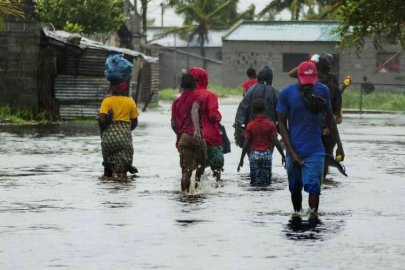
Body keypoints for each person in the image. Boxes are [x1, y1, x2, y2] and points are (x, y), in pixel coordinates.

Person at [277, 61, 345, 213]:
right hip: (294, 148)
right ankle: (297, 215)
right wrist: (292, 153)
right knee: (295, 188)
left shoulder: (323, 91)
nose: (308, 87)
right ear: (298, 78)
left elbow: (330, 118)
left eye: (311, 83)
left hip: (315, 150)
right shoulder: (286, 94)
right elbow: (281, 124)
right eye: (304, 83)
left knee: (314, 187)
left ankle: (313, 221)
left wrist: (339, 145)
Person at [237, 99, 286, 186]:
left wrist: (241, 160)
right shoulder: (271, 125)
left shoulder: (250, 125)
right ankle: (264, 197)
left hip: (254, 155)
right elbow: (276, 142)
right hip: (266, 154)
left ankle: (256, 197)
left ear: (252, 110)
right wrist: (283, 156)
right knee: (266, 183)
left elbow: (246, 144)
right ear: (265, 109)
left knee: (255, 183)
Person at [171, 74, 206, 192]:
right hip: (196, 136)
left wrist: (181, 134)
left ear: (181, 86)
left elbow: (173, 125)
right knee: (202, 163)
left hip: (183, 137)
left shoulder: (176, 102)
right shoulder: (197, 97)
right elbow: (194, 110)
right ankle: (197, 189)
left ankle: (185, 196)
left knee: (186, 171)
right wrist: (197, 130)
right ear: (195, 85)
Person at [99, 81, 139, 179]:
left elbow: (102, 121)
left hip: (108, 139)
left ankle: (105, 192)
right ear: (124, 89)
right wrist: (125, 131)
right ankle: (123, 192)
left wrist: (104, 132)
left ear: (111, 88)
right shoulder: (130, 102)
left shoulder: (107, 101)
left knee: (108, 169)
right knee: (122, 170)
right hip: (124, 138)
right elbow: (134, 122)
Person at [189, 67, 224, 181]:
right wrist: (219, 117)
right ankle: (216, 188)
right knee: (216, 167)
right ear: (204, 80)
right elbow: (214, 115)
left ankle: (194, 190)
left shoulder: (187, 96)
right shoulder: (210, 95)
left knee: (193, 168)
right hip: (211, 137)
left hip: (192, 136)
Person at [234, 65, 279, 148]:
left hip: (252, 129)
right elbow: (281, 112)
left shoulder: (251, 90)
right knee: (268, 154)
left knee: (252, 154)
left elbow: (242, 108)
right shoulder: (276, 92)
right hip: (269, 131)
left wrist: (238, 127)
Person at [317, 60, 342, 178]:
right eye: (316, 76)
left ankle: (323, 180)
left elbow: (336, 114)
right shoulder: (309, 87)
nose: (318, 80)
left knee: (326, 158)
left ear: (328, 76)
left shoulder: (334, 90)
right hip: (313, 130)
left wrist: (328, 128)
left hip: (328, 131)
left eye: (321, 77)